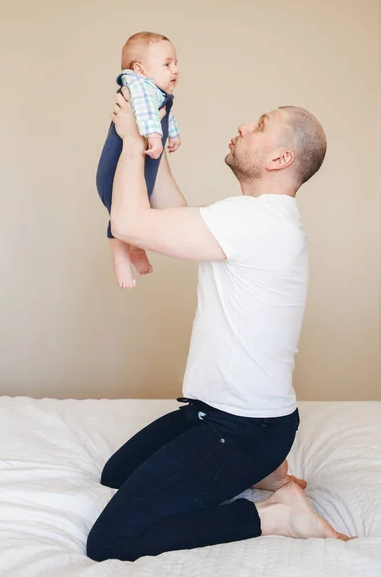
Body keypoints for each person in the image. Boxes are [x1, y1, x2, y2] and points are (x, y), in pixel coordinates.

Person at [86, 90, 352, 562]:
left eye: (260, 124)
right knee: (116, 475)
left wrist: (130, 141)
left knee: (110, 541)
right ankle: (270, 472)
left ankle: (274, 515)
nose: (244, 127)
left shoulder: (256, 222)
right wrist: (157, 138)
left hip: (241, 428)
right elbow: (169, 212)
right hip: (221, 413)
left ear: (280, 156)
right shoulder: (256, 219)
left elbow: (129, 221)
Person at [96, 32, 180, 289]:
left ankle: (136, 249)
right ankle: (120, 260)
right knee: (121, 213)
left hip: (142, 165)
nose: (175, 69)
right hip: (116, 169)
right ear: (140, 69)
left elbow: (165, 116)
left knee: (139, 212)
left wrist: (171, 136)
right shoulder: (139, 87)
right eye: (167, 64)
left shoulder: (156, 91)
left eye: (176, 63)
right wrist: (154, 135)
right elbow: (146, 114)